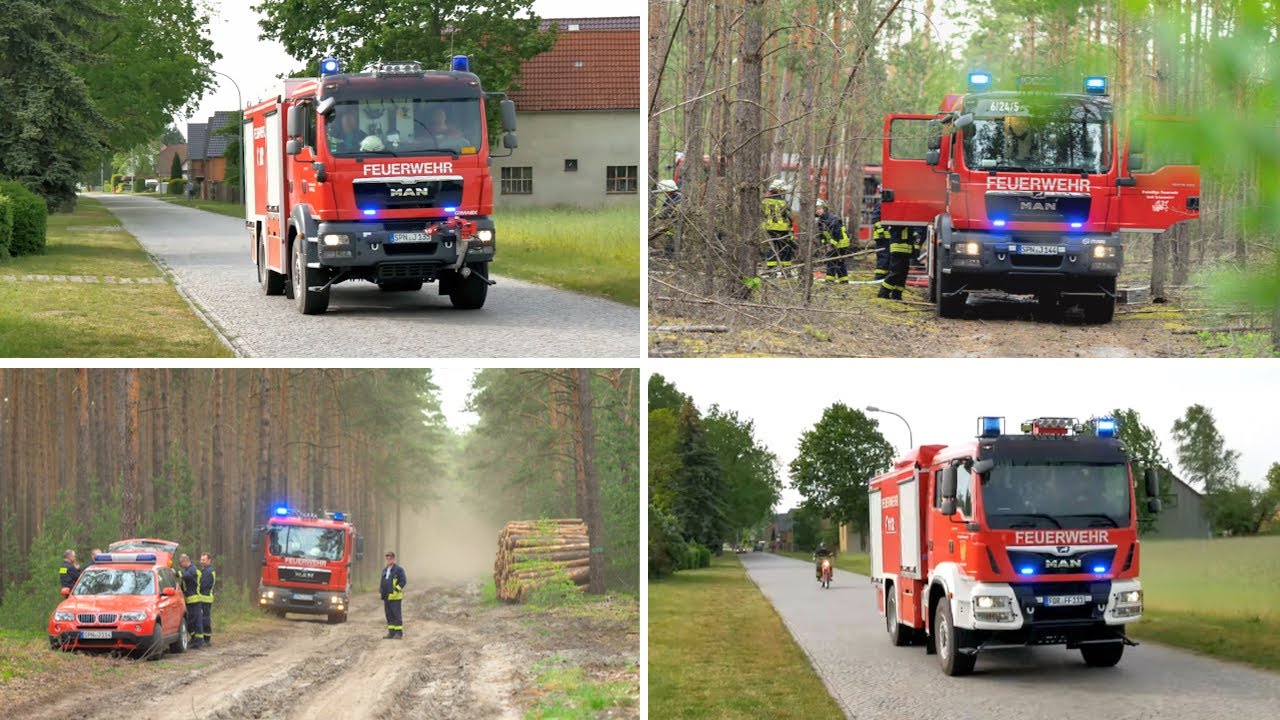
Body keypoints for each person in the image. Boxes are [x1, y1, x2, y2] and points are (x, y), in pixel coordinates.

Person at [761, 180, 795, 269]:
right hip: (782, 229)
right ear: (778, 190)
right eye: (782, 190)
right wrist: (791, 230)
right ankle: (786, 270)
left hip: (768, 228)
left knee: (771, 249)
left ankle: (771, 270)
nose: (783, 192)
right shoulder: (783, 202)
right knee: (785, 249)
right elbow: (789, 217)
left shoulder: (764, 201)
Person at [815, 199, 850, 283]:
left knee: (831, 261)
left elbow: (836, 233)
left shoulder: (832, 218)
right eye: (816, 210)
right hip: (835, 242)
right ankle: (844, 281)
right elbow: (822, 235)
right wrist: (824, 244)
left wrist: (831, 245)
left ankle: (829, 281)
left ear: (824, 208)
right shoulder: (821, 220)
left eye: (819, 209)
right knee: (839, 261)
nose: (818, 211)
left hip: (841, 243)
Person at [879, 224, 914, 300]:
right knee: (896, 272)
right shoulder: (898, 220)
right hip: (898, 248)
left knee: (903, 274)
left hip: (906, 249)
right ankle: (883, 293)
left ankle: (897, 295)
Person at [178, 554, 205, 649]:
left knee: (196, 622)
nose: (180, 566)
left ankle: (199, 642)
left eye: (181, 563)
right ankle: (194, 639)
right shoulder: (187, 570)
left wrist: (178, 574)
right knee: (190, 622)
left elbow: (187, 576)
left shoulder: (192, 569)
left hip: (195, 600)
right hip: (189, 601)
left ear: (186, 561)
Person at [380, 551, 407, 639]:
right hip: (386, 597)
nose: (388, 559)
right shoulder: (384, 570)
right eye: (387, 558)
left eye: (390, 558)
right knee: (389, 615)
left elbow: (403, 581)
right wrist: (381, 590)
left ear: (393, 559)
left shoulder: (399, 570)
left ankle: (399, 633)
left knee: (396, 615)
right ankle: (391, 633)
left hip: (395, 597)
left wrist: (396, 589)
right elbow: (383, 582)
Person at [651, 179, 681, 258]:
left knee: (670, 243)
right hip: (673, 227)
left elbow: (662, 215)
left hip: (673, 228)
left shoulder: (673, 201)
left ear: (667, 191)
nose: (663, 194)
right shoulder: (678, 197)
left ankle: (670, 257)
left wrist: (655, 211)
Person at [196, 553, 216, 647]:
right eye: (201, 559)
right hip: (204, 598)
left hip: (206, 598)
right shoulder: (205, 570)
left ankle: (206, 639)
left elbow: (203, 585)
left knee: (205, 618)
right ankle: (205, 638)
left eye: (204, 560)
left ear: (209, 560)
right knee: (204, 618)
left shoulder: (208, 572)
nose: (202, 561)